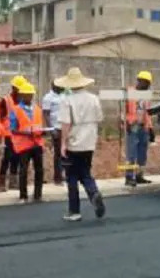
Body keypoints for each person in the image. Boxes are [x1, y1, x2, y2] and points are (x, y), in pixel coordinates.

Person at [56, 67, 105, 221]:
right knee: (85, 172)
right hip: (89, 141)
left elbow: (65, 123)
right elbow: (99, 118)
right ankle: (93, 192)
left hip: (74, 142)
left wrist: (63, 143)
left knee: (71, 176)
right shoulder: (94, 98)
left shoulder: (67, 100)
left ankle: (74, 210)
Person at [9, 82, 44, 202]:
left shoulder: (37, 109)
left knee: (39, 169)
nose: (29, 97)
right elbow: (13, 129)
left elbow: (39, 124)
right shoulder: (16, 110)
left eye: (31, 95)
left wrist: (43, 132)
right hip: (24, 144)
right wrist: (26, 133)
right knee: (23, 170)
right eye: (26, 95)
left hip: (37, 143)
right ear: (22, 96)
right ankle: (23, 195)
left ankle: (38, 195)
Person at [124, 70, 154, 187]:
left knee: (142, 153)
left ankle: (139, 175)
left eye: (148, 84)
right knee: (131, 153)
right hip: (133, 125)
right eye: (145, 83)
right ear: (140, 81)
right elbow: (124, 110)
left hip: (143, 126)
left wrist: (150, 128)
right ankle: (129, 177)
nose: (147, 86)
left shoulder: (146, 95)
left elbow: (148, 112)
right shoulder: (130, 92)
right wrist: (126, 123)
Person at [0, 75, 26, 192]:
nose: (20, 91)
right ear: (13, 88)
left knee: (17, 157)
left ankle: (13, 182)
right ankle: (2, 182)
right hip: (9, 133)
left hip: (20, 134)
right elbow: (0, 117)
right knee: (7, 157)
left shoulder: (23, 100)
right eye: (18, 88)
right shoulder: (6, 100)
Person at [42, 83, 65, 185]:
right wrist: (51, 130)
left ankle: (64, 174)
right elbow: (46, 114)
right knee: (58, 154)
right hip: (56, 128)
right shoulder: (48, 98)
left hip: (65, 127)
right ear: (54, 86)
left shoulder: (64, 96)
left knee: (66, 153)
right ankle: (57, 178)